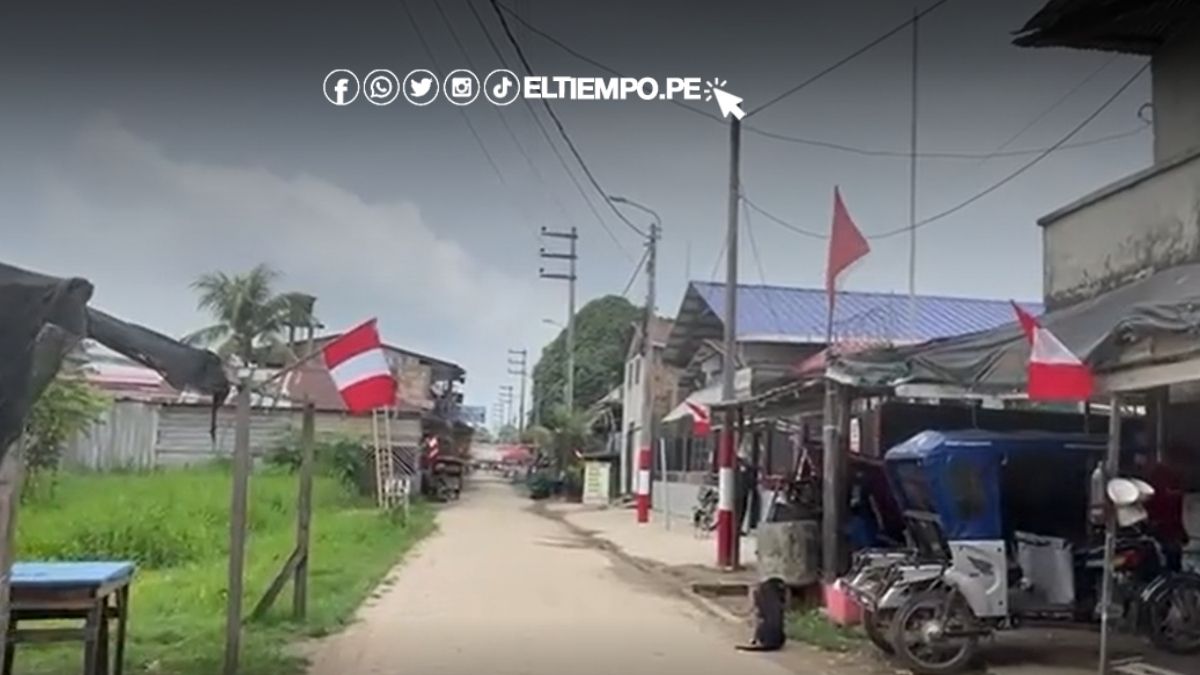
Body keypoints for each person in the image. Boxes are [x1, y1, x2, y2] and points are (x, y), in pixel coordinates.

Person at [1135, 445, 1188, 571]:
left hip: (1164, 528)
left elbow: (1174, 507)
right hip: (1162, 528)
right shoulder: (1159, 476)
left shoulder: (1163, 476)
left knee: (1169, 560)